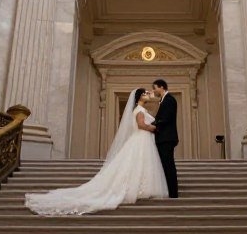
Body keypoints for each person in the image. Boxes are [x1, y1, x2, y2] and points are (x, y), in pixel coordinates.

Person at [24, 88, 168, 215]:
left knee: (138, 164)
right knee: (138, 163)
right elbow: (142, 125)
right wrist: (156, 128)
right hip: (141, 139)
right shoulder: (140, 111)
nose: (147, 94)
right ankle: (137, 189)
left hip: (141, 140)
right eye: (144, 93)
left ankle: (139, 188)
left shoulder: (139, 110)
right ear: (138, 98)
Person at [152, 78, 179, 198]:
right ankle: (169, 190)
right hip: (164, 138)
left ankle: (173, 193)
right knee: (165, 165)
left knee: (168, 165)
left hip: (166, 138)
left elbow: (166, 118)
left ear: (162, 87)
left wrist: (153, 125)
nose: (154, 90)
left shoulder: (169, 100)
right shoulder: (164, 100)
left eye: (155, 88)